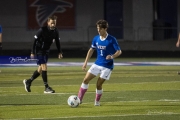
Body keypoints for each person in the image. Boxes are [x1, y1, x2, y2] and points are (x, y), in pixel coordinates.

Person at [77, 20, 122, 106]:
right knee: (85, 80)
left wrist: (112, 56)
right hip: (97, 63)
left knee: (98, 84)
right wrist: (85, 63)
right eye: (98, 28)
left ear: (105, 29)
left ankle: (97, 101)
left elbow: (119, 51)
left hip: (107, 66)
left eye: (100, 29)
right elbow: (91, 50)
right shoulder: (96, 38)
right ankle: (79, 99)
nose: (98, 30)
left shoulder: (112, 39)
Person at [23, 15, 63, 93]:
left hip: (46, 51)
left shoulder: (56, 31)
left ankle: (28, 82)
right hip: (39, 51)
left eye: (54, 23)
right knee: (44, 67)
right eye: (51, 23)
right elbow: (34, 41)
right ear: (48, 22)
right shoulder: (42, 30)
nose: (53, 25)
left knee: (40, 70)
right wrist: (32, 52)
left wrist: (60, 52)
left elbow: (58, 42)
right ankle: (46, 87)